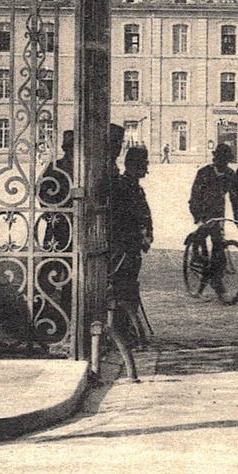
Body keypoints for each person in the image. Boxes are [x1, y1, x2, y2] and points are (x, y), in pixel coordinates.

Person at [108, 145, 153, 347]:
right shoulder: (121, 187)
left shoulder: (135, 187)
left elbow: (145, 214)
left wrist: (148, 235)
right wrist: (138, 236)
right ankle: (122, 332)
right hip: (123, 249)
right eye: (143, 165)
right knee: (122, 290)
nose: (146, 169)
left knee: (129, 288)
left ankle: (127, 330)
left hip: (133, 249)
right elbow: (119, 220)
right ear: (133, 166)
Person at [187, 142, 238, 297]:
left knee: (219, 247)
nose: (222, 164)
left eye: (225, 161)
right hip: (202, 211)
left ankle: (216, 282)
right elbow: (195, 196)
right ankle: (196, 256)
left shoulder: (231, 175)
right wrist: (198, 217)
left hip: (219, 213)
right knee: (202, 236)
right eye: (220, 160)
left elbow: (236, 198)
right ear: (215, 159)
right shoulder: (204, 173)